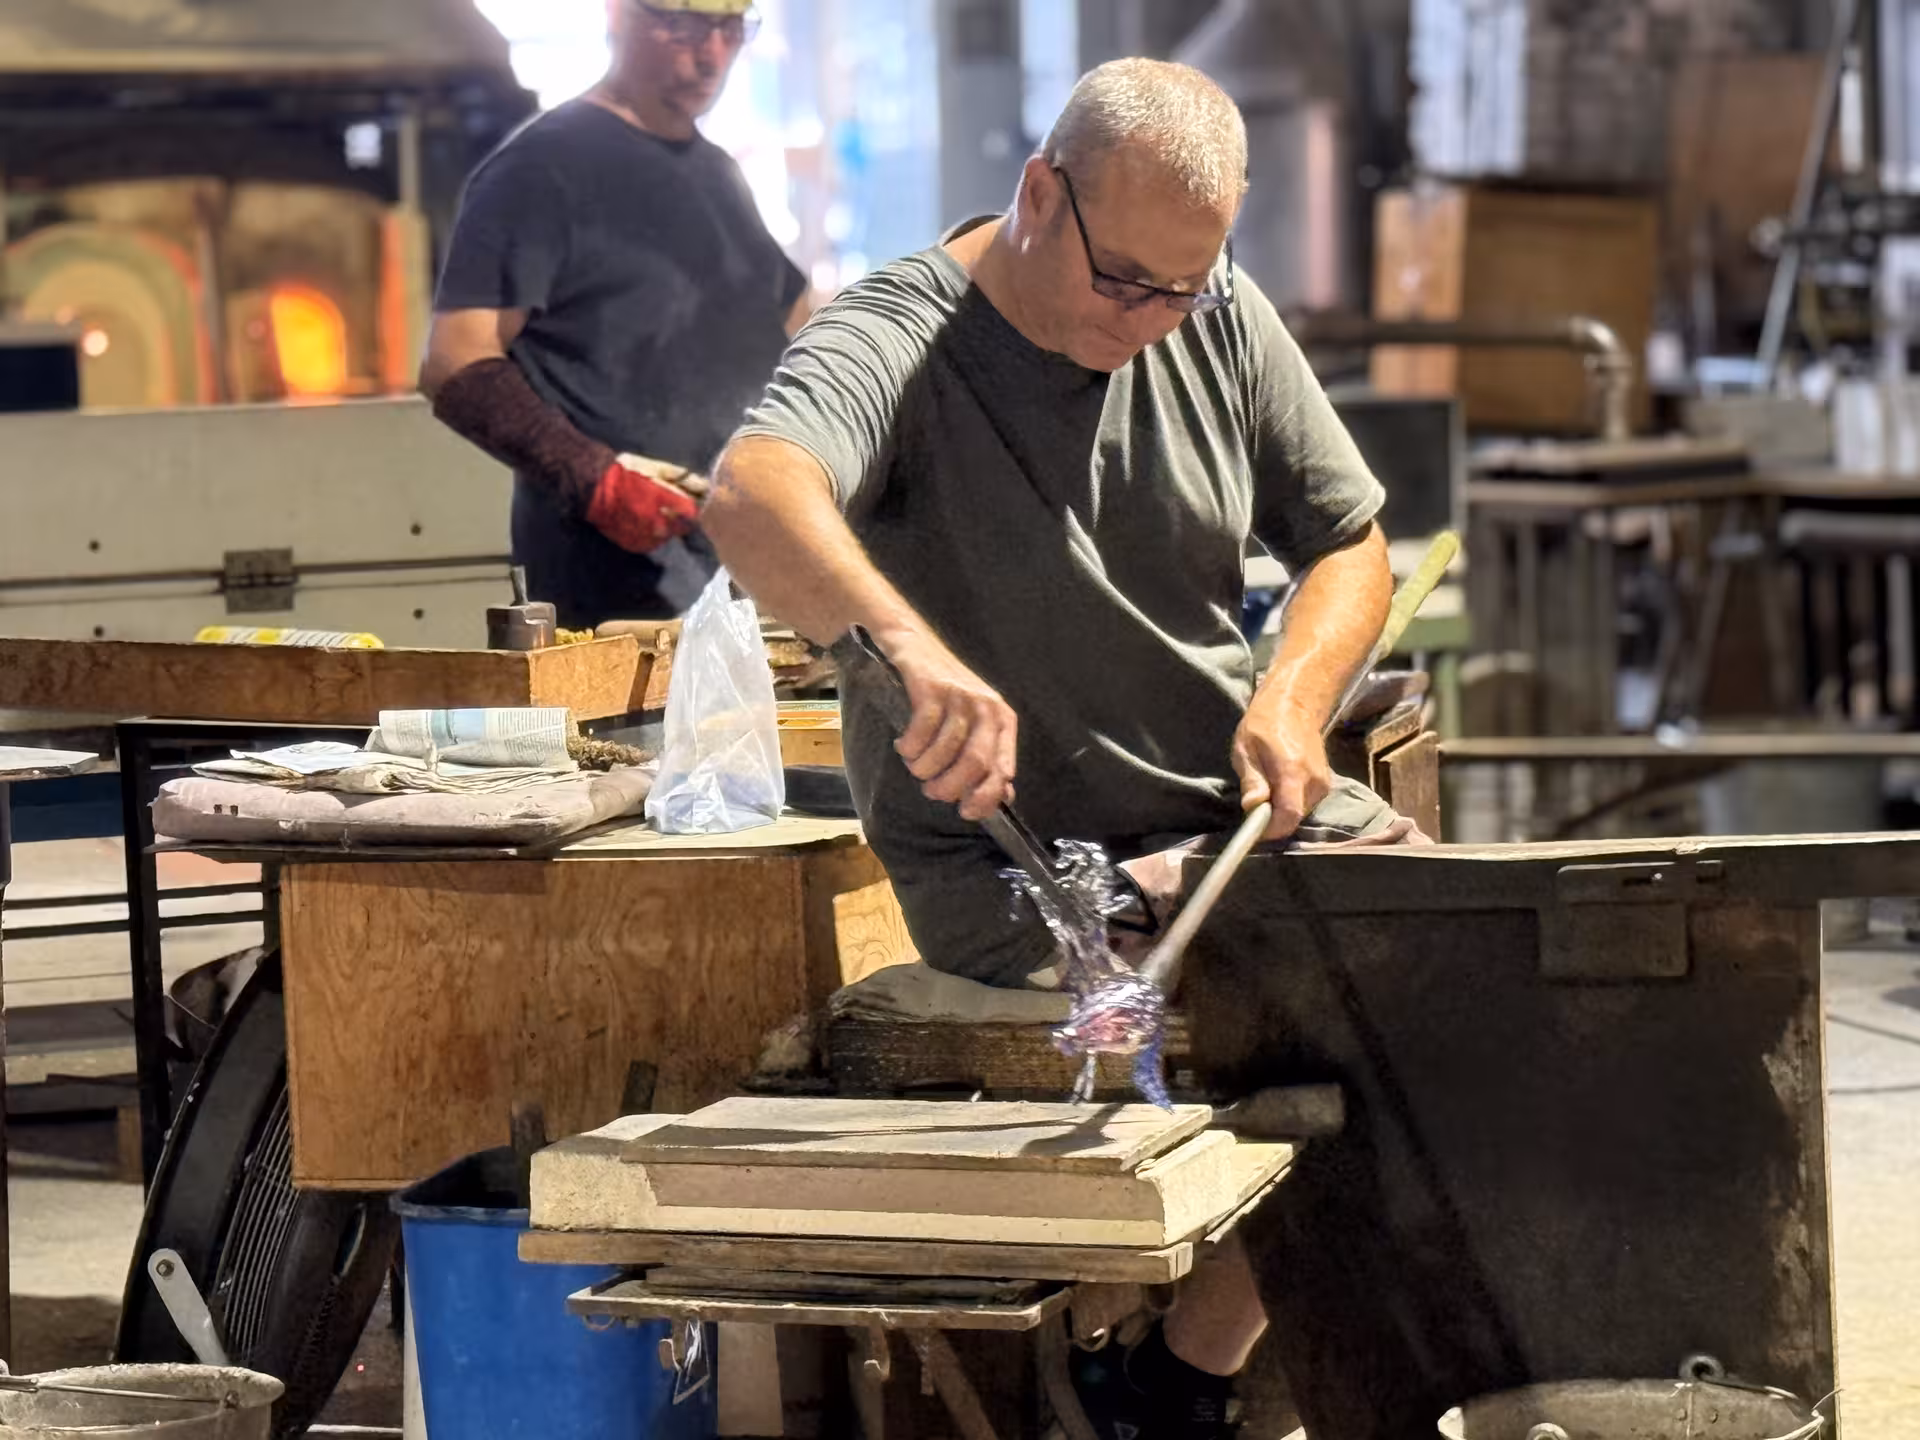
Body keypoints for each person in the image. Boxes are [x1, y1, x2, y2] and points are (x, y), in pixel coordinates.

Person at [702, 57, 1407, 1438]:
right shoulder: (900, 333)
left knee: (1458, 956)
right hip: (1024, 867)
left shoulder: (1213, 316)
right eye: (1125, 281)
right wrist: (908, 653)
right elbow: (751, 490)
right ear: (1040, 196)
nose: (1152, 321)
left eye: (1186, 289)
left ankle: (1179, 1377)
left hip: (1222, 818)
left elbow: (1350, 541)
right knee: (1308, 1021)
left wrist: (1296, 695)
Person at [421, 0, 808, 628]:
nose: (711, 53)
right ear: (619, 14)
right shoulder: (540, 168)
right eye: (683, 25)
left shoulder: (716, 173)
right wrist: (595, 479)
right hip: (611, 594)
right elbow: (456, 364)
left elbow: (796, 322)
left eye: (729, 29)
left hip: (734, 586)